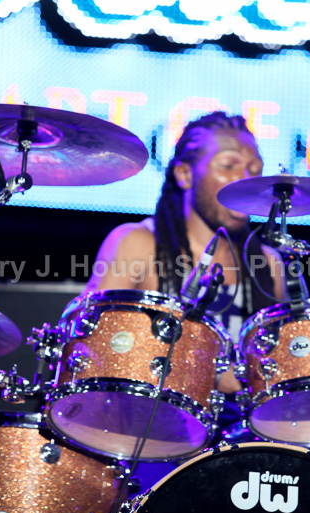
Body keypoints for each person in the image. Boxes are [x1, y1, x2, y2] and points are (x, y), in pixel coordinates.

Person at [85, 110, 287, 395]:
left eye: (254, 170)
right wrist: (207, 369)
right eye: (229, 165)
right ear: (185, 174)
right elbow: (90, 341)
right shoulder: (138, 242)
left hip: (243, 423)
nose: (245, 179)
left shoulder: (268, 262)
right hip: (150, 417)